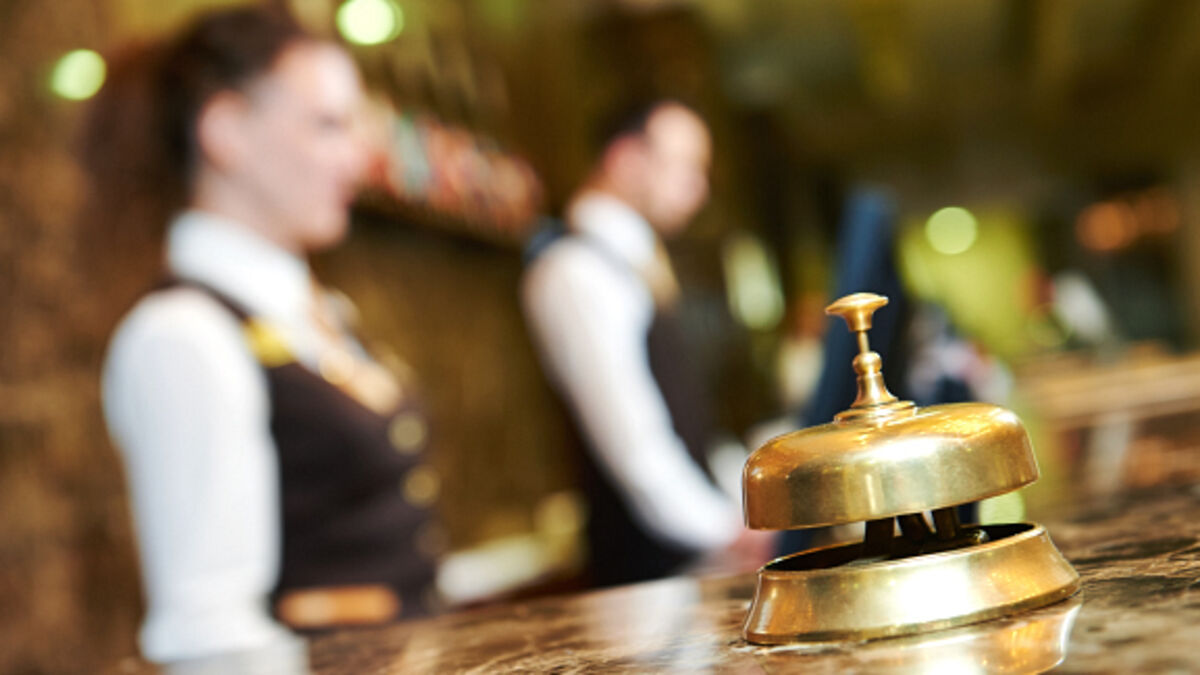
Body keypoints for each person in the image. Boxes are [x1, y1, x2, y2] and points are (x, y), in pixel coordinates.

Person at [85, 6, 440, 671]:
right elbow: (207, 626)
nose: (358, 157)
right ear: (226, 132)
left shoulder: (312, 313)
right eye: (328, 125)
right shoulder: (183, 335)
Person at [522, 100, 770, 587]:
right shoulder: (576, 269)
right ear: (625, 159)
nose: (698, 189)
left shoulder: (636, 263)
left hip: (688, 561)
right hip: (647, 575)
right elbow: (635, 448)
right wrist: (728, 532)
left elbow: (691, 426)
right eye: (685, 167)